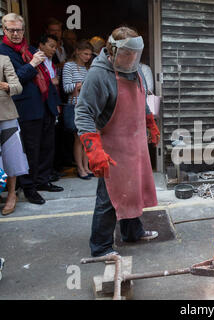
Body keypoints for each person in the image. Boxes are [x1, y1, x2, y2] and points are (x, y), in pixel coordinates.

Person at [75, 26, 161, 257]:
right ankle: (100, 247)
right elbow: (83, 112)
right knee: (110, 197)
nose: (132, 59)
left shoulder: (134, 69)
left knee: (132, 191)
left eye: (136, 54)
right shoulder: (98, 74)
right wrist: (93, 150)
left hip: (134, 144)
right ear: (112, 51)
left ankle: (132, 232)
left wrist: (149, 121)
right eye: (127, 54)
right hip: (111, 147)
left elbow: (142, 98)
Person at [0, 13, 64, 205]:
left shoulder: (28, 48)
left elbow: (45, 77)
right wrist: (33, 63)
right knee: (31, 150)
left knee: (46, 147)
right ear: (4, 30)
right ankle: (29, 188)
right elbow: (15, 80)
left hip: (44, 105)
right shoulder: (3, 52)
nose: (16, 33)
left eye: (19, 30)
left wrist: (54, 104)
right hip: (24, 108)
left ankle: (42, 181)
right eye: (11, 30)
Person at [0, 54, 28, 215]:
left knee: (11, 157)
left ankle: (11, 195)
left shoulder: (3, 59)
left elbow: (17, 87)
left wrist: (6, 86)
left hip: (6, 115)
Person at [62, 40, 94, 180]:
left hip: (88, 105)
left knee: (87, 137)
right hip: (76, 105)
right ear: (77, 52)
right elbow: (67, 87)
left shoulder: (88, 68)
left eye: (89, 54)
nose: (88, 57)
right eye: (85, 54)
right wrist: (83, 85)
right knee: (78, 138)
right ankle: (80, 168)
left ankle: (87, 167)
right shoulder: (69, 66)